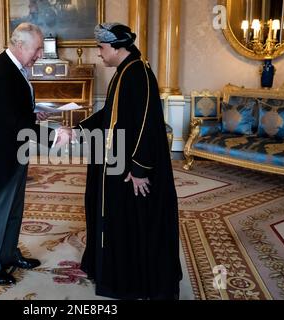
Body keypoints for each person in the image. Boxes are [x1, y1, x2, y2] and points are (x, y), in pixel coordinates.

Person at [74, 23, 182, 299]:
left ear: (116, 47)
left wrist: (139, 169)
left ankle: (134, 281)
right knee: (120, 223)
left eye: (101, 47)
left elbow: (148, 124)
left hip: (132, 169)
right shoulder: (125, 72)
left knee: (137, 226)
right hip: (117, 162)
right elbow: (109, 115)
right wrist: (76, 130)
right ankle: (117, 274)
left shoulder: (138, 73)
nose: (98, 53)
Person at [0, 23, 52, 286]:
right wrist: (51, 135)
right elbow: (9, 120)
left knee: (14, 208)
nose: (40, 54)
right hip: (2, 154)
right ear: (20, 45)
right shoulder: (1, 72)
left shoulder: (15, 68)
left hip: (15, 149)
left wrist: (32, 113)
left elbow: (13, 110)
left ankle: (7, 254)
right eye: (37, 48)